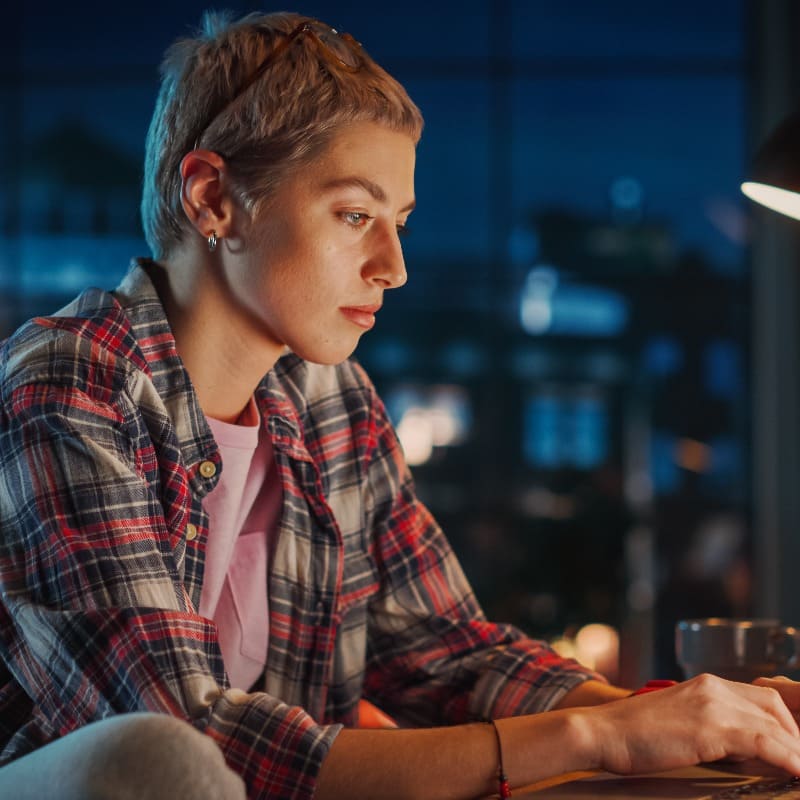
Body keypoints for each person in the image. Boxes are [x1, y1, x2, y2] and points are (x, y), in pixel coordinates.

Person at [1, 9, 800, 800]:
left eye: (402, 224)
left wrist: (701, 719)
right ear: (213, 198)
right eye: (355, 215)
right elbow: (188, 734)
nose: (394, 266)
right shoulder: (69, 382)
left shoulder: (329, 397)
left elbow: (446, 653)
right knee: (153, 758)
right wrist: (596, 737)